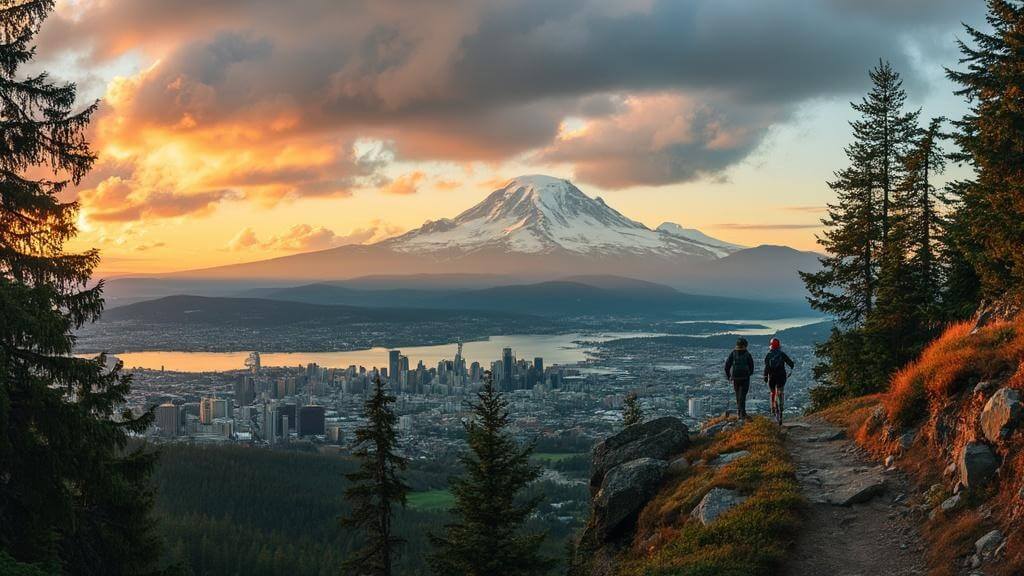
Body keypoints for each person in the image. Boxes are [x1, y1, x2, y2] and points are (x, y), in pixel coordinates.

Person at [764, 337, 795, 424]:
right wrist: (791, 367)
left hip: (772, 377)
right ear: (779, 346)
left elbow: (766, 367)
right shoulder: (782, 354)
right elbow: (791, 363)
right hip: (781, 376)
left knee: (772, 392)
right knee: (780, 391)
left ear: (771, 346)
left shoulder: (768, 355)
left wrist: (765, 376)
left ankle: (773, 408)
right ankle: (781, 409)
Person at [724, 337, 754, 420]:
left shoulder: (733, 353)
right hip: (745, 378)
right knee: (743, 396)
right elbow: (751, 366)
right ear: (745, 345)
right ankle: (742, 414)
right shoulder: (747, 354)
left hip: (736, 378)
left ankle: (739, 413)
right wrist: (749, 374)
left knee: (738, 396)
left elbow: (727, 366)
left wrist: (729, 376)